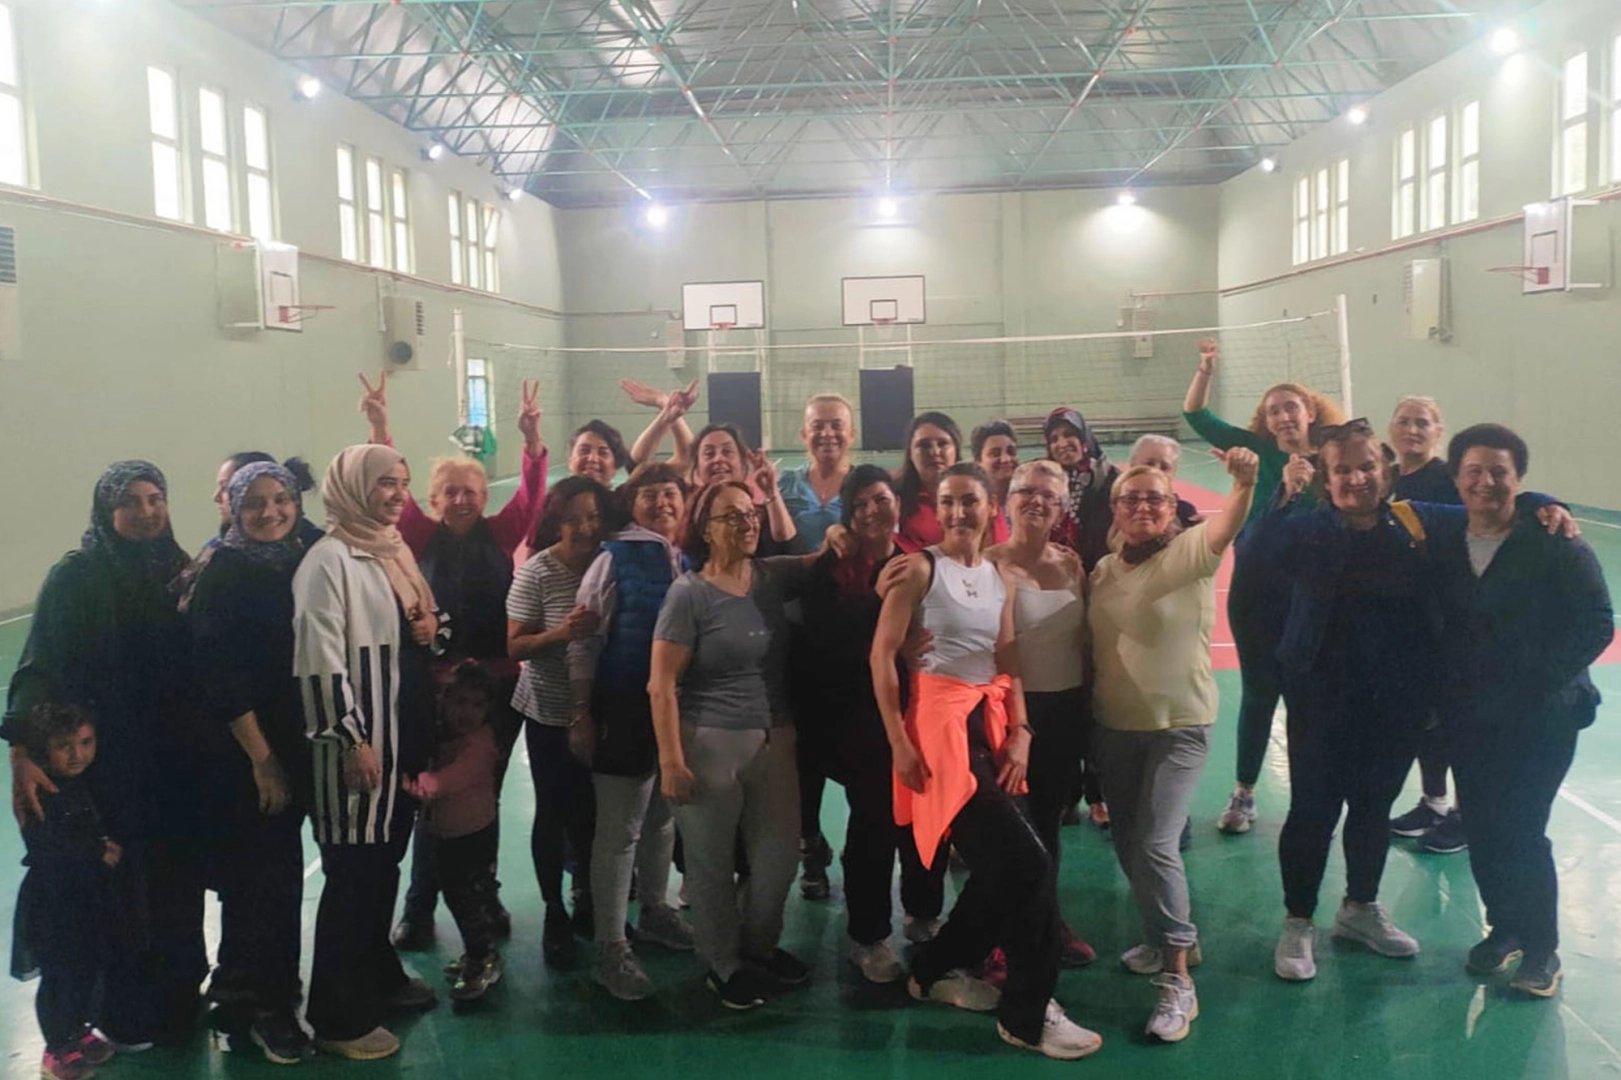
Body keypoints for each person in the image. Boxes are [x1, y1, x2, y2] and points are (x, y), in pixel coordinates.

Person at [873, 463, 1102, 1061]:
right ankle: (1028, 1013)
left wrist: (1020, 729)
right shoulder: (918, 570)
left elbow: (1007, 653)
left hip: (991, 723)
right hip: (941, 730)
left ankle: (932, 967)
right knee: (1028, 863)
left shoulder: (997, 576)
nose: (958, 513)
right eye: (947, 502)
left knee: (1008, 867)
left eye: (969, 501)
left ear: (989, 505)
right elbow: (881, 657)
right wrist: (899, 742)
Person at [6, 460, 205, 1048]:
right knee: (121, 890)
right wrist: (22, 752)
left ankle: (179, 996)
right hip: (109, 768)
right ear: (107, 510)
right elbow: (38, 667)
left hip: (174, 765)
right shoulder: (77, 577)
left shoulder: (179, 568)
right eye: (131, 502)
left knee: (175, 882)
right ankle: (123, 1012)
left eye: (155, 498)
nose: (146, 511)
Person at [360, 370, 545, 948]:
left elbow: (531, 495)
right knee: (431, 797)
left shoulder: (502, 532)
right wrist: (381, 429)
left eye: (470, 492)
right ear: (434, 501)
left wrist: (531, 441)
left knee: (482, 798)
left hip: (496, 687)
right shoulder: (419, 536)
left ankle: (482, 894)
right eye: (451, 493)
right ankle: (419, 906)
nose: (461, 500)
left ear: (484, 499)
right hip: (435, 688)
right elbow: (388, 486)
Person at [1248, 423, 1437, 983]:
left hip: (1395, 700)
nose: (1356, 479)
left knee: (1374, 808)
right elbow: (1254, 549)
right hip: (1321, 699)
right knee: (1313, 811)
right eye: (1343, 470)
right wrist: (1283, 494)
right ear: (1326, 482)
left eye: (1366, 467)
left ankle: (1360, 908)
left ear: (1387, 472)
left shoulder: (1413, 524)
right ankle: (1298, 920)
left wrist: (1543, 504)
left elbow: (1484, 510)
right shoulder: (1306, 529)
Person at [1435, 424, 1611, 997]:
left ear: (1520, 479)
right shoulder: (1445, 538)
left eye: (1500, 472)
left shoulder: (1555, 540)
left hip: (1543, 716)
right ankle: (1504, 928)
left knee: (1522, 828)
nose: (1486, 482)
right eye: (1474, 471)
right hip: (1471, 714)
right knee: (1482, 826)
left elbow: (1597, 623)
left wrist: (1535, 679)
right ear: (1456, 478)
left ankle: (1542, 950)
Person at [1089, 448, 1257, 1041]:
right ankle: (1163, 937)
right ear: (1115, 509)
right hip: (1114, 726)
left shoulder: (1188, 552)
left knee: (1157, 842)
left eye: (1155, 499)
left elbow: (1226, 523)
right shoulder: (1102, 571)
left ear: (1171, 508)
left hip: (1179, 726)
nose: (1143, 507)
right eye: (1131, 498)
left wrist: (1244, 483)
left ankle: (1178, 976)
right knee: (1128, 842)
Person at [293, 444, 441, 1061]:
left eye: (403, 482)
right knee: (354, 881)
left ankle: (377, 973)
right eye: (384, 483)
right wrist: (350, 739)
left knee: (383, 871)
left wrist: (432, 628)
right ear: (353, 488)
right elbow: (319, 662)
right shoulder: (328, 562)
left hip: (401, 744)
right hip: (360, 752)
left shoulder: (391, 548)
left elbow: (417, 628)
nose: (398, 494)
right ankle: (337, 1017)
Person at [650, 481, 814, 1009]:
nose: (747, 524)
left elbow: (824, 558)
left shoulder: (771, 576)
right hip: (709, 742)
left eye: (751, 514)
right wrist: (671, 760)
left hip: (775, 740)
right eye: (732, 517)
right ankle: (722, 964)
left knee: (778, 860)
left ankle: (758, 948)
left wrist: (838, 537)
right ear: (706, 529)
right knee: (710, 863)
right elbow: (661, 684)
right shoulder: (689, 594)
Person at [182, 461, 319, 1063]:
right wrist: (263, 760)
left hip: (296, 738)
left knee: (264, 874)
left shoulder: (300, 555)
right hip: (249, 751)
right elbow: (220, 677)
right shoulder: (224, 572)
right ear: (234, 509)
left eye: (280, 498)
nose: (270, 512)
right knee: (269, 877)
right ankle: (271, 1007)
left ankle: (242, 986)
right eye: (255, 502)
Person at [1182, 337, 1344, 834]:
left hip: (1313, 599)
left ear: (1310, 411)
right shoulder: (1255, 451)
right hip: (1256, 592)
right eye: (1273, 411)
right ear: (1266, 421)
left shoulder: (1336, 459)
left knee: (1308, 697)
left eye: (1291, 407)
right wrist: (1206, 369)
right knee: (1258, 694)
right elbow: (1195, 415)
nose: (1283, 416)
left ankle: (1311, 793)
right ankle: (1244, 792)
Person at [794, 465, 944, 983]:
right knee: (874, 824)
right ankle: (868, 935)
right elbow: (823, 643)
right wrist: (885, 628)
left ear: (896, 503)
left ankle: (924, 911)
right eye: (859, 505)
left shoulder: (916, 562)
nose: (872, 511)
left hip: (916, 711)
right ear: (848, 515)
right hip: (851, 718)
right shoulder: (832, 569)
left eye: (880, 499)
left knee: (925, 816)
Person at [568, 465, 697, 1001]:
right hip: (623, 707)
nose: (663, 502)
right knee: (620, 830)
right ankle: (610, 947)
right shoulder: (613, 558)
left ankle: (656, 909)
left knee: (663, 817)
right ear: (632, 503)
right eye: (651, 494)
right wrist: (582, 712)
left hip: (676, 711)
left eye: (671, 493)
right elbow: (585, 640)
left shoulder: (685, 558)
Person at [984, 459, 1096, 969]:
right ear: (1007, 501)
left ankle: (1048, 922)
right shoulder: (987, 564)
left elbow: (1087, 642)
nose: (1037, 501)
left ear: (1062, 507)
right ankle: (1002, 936)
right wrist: (1017, 723)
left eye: (1049, 495)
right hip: (1013, 716)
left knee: (1048, 823)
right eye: (1026, 491)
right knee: (1011, 833)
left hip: (1065, 712)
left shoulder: (1071, 565)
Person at [507, 476, 611, 968]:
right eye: (572, 519)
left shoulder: (612, 563)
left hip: (604, 712)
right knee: (553, 812)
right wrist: (561, 633)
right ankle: (554, 911)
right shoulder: (538, 572)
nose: (584, 528)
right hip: (549, 712)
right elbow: (515, 645)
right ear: (556, 522)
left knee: (594, 814)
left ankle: (588, 897)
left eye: (592, 517)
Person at [10, 705, 125, 1080]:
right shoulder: (40, 790)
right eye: (65, 746)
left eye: (85, 743)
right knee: (60, 976)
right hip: (54, 904)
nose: (77, 754)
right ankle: (56, 1047)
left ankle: (79, 1030)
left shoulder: (84, 782)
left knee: (87, 969)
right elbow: (45, 845)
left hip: (86, 898)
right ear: (45, 748)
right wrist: (97, 850)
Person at [775, 393, 858, 900]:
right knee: (800, 751)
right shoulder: (783, 485)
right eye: (818, 426)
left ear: (851, 433)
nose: (827, 433)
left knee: (853, 746)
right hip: (795, 637)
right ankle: (810, 844)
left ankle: (861, 849)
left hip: (851, 636)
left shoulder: (867, 484)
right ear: (804, 434)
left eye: (836, 425)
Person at [1384, 396, 1466, 853]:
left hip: (1448, 617)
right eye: (1404, 421)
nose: (1412, 429)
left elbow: (1502, 504)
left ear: (1438, 431)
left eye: (1422, 422)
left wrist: (1547, 504)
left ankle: (1466, 814)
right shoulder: (1387, 477)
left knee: (1456, 718)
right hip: (1407, 619)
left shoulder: (1451, 478)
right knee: (1425, 720)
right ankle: (1434, 802)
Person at [401, 663, 506, 1002]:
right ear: (443, 701)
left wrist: (422, 784)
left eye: (477, 704)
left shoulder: (480, 744)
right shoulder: (444, 737)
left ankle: (482, 957)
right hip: (448, 835)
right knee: (459, 896)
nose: (467, 712)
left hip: (471, 837)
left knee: (466, 901)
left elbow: (455, 777)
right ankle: (479, 953)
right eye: (459, 701)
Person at [1043, 408, 1121, 572]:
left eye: (1069, 434)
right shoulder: (1045, 482)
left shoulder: (1110, 478)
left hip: (1103, 570)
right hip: (1057, 571)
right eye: (1054, 439)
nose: (1062, 443)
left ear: (1083, 438)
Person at [895, 411, 963, 549]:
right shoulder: (893, 498)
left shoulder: (979, 497)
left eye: (942, 443)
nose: (934, 452)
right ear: (910, 454)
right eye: (924, 445)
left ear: (956, 451)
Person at [1128, 435, 1203, 529]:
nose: (1156, 471)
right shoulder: (1115, 505)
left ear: (1174, 473)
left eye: (1165, 467)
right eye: (1149, 464)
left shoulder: (1183, 512)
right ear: (1132, 464)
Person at [972, 419, 1019, 545]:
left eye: (1011, 452)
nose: (1005, 459)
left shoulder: (1027, 503)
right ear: (978, 461)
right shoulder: (974, 507)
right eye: (995, 454)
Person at [567, 420, 634, 487]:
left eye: (603, 453)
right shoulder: (560, 493)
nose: (592, 459)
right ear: (570, 460)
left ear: (615, 467)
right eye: (584, 450)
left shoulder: (626, 493)